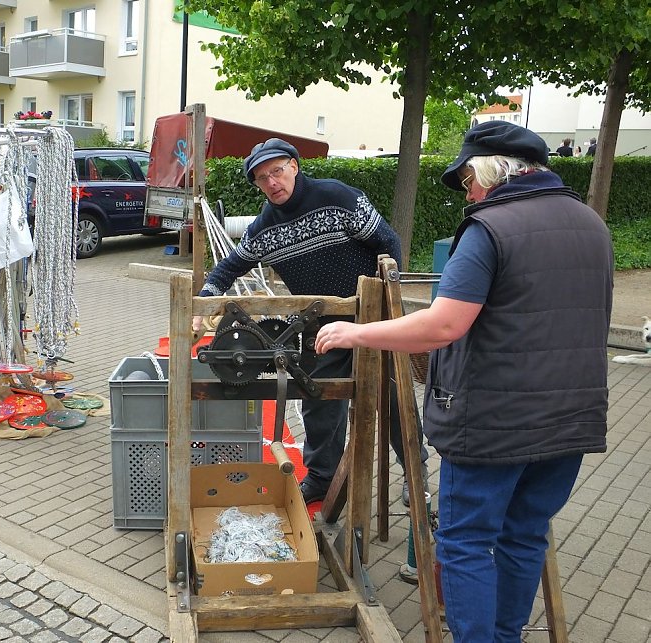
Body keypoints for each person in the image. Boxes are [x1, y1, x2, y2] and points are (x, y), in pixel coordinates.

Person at [314, 121, 612, 641]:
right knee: (524, 535)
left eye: (468, 180)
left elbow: (442, 324)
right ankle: (505, 635)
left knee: (466, 541)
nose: (467, 193)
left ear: (492, 172)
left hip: (494, 424)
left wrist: (356, 332)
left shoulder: (490, 228)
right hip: (571, 419)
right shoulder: (591, 223)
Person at [192, 138, 429, 505]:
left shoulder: (340, 198)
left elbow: (388, 243)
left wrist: (387, 301)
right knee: (318, 400)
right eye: (261, 178)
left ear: (294, 166)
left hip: (372, 321)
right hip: (322, 329)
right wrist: (203, 304)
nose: (272, 182)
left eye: (277, 171)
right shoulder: (264, 228)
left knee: (395, 399)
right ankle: (322, 478)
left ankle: (416, 473)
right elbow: (226, 269)